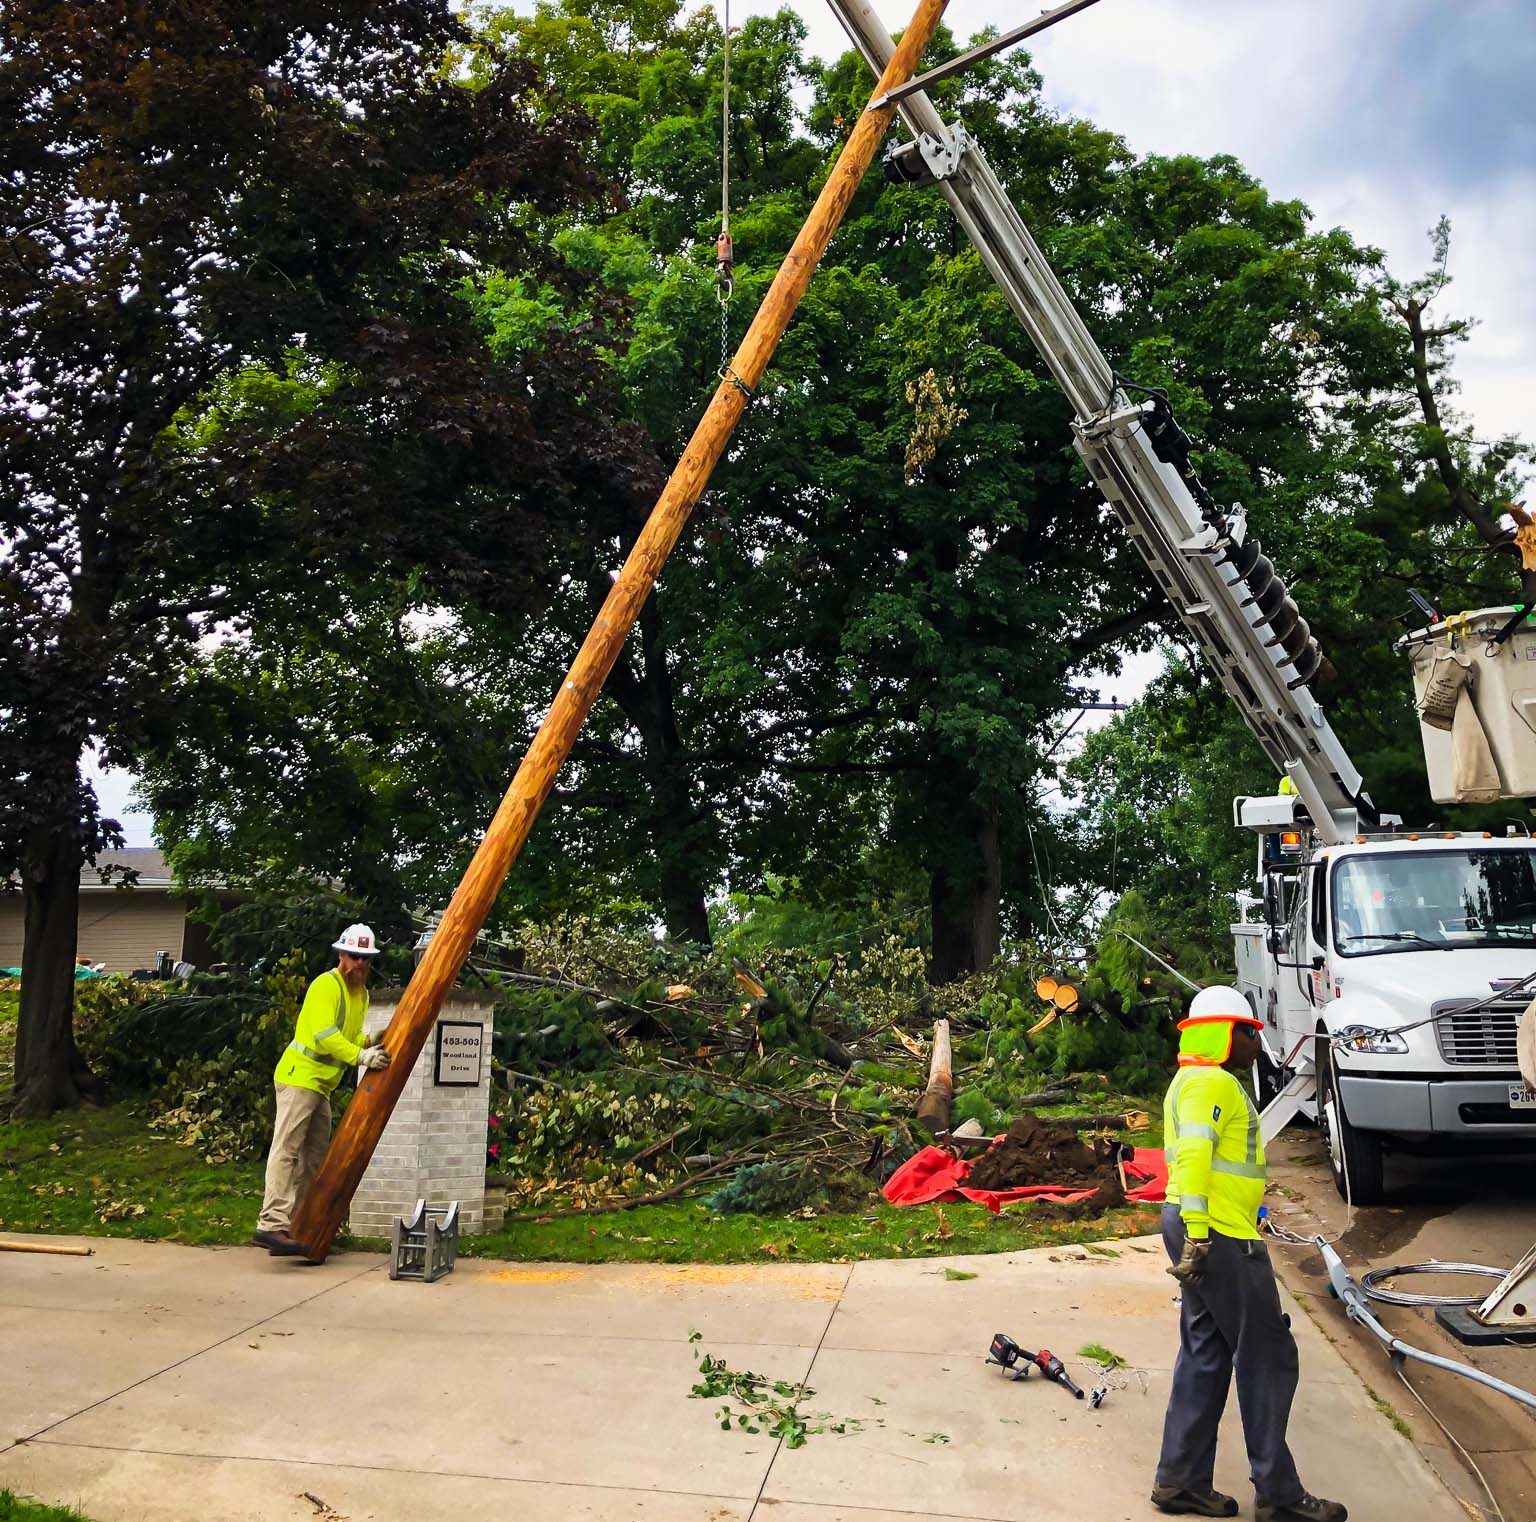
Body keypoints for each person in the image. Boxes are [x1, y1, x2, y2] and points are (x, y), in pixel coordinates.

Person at [1151, 985, 1346, 1522]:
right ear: (1226, 1033)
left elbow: (1217, 1163)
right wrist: (1198, 1231)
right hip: (1214, 1234)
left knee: (1207, 1349)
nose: (1257, 1045)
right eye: (1251, 1033)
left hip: (1211, 1226)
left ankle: (1181, 1480)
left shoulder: (1193, 1080)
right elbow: (1193, 1154)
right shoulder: (1211, 1082)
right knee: (1268, 1354)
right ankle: (1280, 1496)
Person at [252, 924, 391, 1256]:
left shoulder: (362, 993)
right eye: (355, 956)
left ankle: (298, 1229)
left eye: (366, 958)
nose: (360, 964)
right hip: (300, 1077)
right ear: (341, 954)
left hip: (320, 1086)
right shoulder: (325, 986)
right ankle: (271, 1225)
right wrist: (362, 1057)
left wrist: (371, 1041)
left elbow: (349, 1036)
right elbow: (326, 1036)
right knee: (287, 1151)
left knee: (314, 1159)